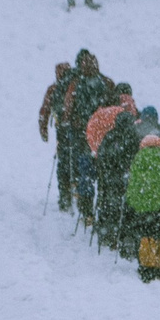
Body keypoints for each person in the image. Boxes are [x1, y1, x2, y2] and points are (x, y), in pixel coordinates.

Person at [55, 50, 113, 220]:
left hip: (81, 131)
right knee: (102, 169)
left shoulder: (75, 83)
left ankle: (84, 206)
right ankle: (103, 207)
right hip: (101, 132)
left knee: (83, 167)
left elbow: (68, 104)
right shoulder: (105, 82)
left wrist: (66, 121)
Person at [87, 83, 139, 253]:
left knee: (105, 199)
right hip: (124, 175)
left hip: (107, 172)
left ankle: (105, 231)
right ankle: (123, 234)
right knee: (124, 203)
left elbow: (93, 137)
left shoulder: (103, 122)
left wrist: (97, 155)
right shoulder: (130, 126)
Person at [124, 125, 160, 282]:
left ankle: (146, 267)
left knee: (146, 234)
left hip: (142, 204)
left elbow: (132, 182)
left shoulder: (138, 158)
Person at [37, 61, 75, 211]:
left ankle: (65, 197)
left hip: (62, 130)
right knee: (76, 160)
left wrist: (44, 130)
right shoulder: (77, 86)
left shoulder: (53, 89)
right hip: (78, 131)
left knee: (63, 162)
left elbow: (44, 110)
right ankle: (78, 192)